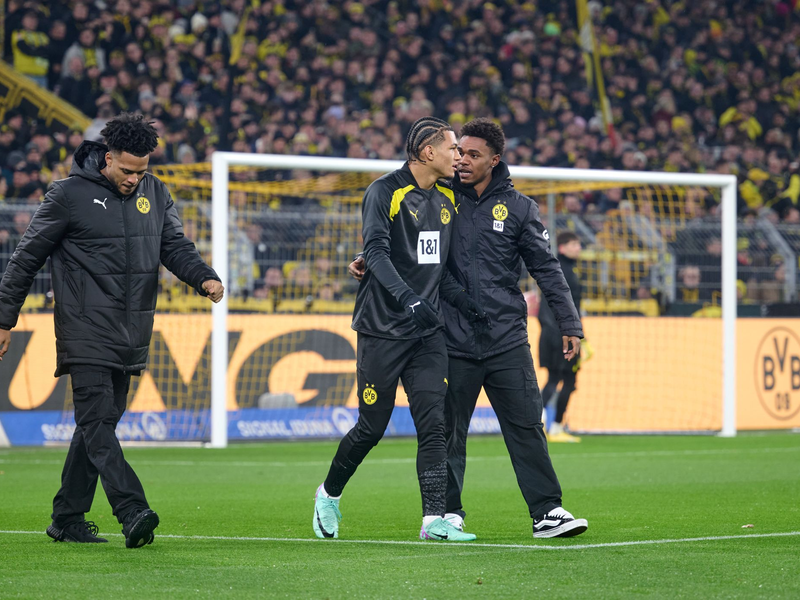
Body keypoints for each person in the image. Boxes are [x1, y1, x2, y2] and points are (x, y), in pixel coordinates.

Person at [349, 118, 587, 538]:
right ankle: (450, 513)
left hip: (506, 338)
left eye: (473, 155)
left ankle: (547, 512)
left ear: (495, 160)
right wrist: (366, 259)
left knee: (527, 425)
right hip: (450, 334)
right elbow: (401, 242)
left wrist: (568, 321)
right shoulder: (441, 197)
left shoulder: (519, 209)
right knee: (447, 431)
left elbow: (546, 269)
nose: (461, 160)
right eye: (459, 152)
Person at [0, 113, 224, 547]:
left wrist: (203, 277)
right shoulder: (67, 195)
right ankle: (131, 508)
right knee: (98, 422)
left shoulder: (155, 193)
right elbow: (25, 258)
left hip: (132, 329)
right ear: (106, 158)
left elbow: (174, 246)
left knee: (98, 425)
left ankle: (66, 516)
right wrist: (3, 318)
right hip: (84, 329)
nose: (134, 179)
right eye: (126, 170)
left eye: (142, 171)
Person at [313, 117, 478, 542]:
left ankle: (433, 520)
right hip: (383, 329)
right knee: (372, 426)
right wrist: (410, 300)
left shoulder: (448, 199)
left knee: (434, 424)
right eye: (452, 148)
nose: (458, 155)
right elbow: (377, 252)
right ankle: (328, 494)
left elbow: (438, 268)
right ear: (428, 152)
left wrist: (470, 306)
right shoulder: (385, 191)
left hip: (427, 333)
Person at [539, 231, 584, 443]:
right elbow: (563, 306)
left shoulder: (562, 269)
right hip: (561, 334)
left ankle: (544, 425)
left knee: (559, 379)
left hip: (557, 333)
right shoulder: (562, 270)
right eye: (574, 244)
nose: (579, 248)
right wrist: (570, 333)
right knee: (563, 379)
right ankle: (552, 426)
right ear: (563, 247)